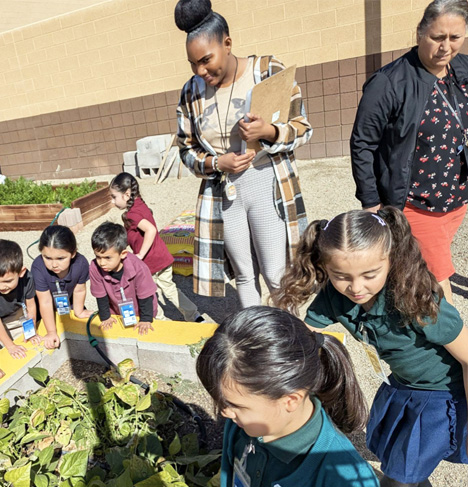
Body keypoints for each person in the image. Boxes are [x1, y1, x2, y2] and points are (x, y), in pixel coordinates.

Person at [273, 207, 468, 487]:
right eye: (341, 276)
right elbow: (305, 335)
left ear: (392, 259)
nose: (355, 287)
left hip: (441, 395)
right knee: (402, 465)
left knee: (398, 479)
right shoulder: (335, 296)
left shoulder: (417, 300)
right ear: (324, 267)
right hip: (402, 385)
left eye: (370, 274)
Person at [173, 0, 312, 306]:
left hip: (266, 183)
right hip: (224, 192)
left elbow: (303, 128)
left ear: (228, 43)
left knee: (277, 275)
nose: (201, 70)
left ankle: (288, 342)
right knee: (244, 275)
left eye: (206, 60)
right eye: (193, 64)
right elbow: (185, 149)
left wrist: (269, 132)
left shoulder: (267, 71)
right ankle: (255, 342)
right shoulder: (190, 92)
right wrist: (215, 162)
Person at [350, 0, 468, 304]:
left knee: (421, 269)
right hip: (416, 202)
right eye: (437, 37)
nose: (446, 47)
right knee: (439, 280)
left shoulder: (462, 69)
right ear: (419, 33)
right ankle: (453, 342)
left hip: (456, 197)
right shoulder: (389, 82)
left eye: (455, 38)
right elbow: (363, 142)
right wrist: (370, 200)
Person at [197, 307, 379, 487]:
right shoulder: (242, 426)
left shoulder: (345, 477)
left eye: (234, 405)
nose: (225, 412)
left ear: (291, 400)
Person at [109, 172, 204, 323]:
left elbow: (151, 230)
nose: (113, 201)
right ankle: (194, 316)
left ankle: (159, 320)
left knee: (147, 292)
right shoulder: (139, 203)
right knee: (170, 289)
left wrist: (140, 254)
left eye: (114, 197)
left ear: (126, 194)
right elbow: (136, 234)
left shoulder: (132, 214)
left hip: (150, 262)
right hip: (162, 256)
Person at [89, 222, 159, 335]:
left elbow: (145, 297)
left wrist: (145, 319)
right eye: (98, 257)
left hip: (142, 312)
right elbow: (100, 295)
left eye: (107, 257)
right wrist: (105, 317)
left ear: (123, 254)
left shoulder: (139, 268)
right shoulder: (94, 267)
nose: (102, 263)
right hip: (117, 312)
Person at [30, 225, 93, 349]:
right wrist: (51, 332)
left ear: (73, 253)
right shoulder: (38, 267)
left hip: (69, 304)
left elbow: (79, 290)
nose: (54, 264)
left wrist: (78, 311)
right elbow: (45, 301)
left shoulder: (81, 264)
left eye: (60, 258)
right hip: (44, 310)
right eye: (47, 258)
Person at [0, 239, 40, 359]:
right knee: (1, 353)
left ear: (21, 272)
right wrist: (10, 346)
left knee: (26, 347)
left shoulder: (28, 278)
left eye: (8, 281)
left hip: (15, 315)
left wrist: (31, 332)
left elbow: (31, 306)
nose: (1, 286)